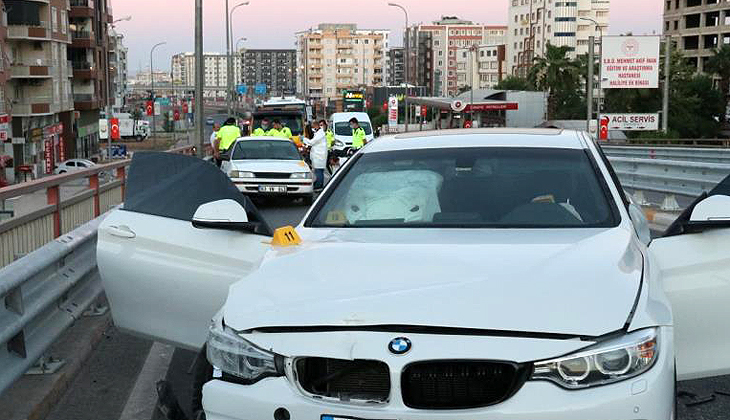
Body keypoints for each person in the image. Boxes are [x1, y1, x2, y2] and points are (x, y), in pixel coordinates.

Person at [304, 119, 327, 191]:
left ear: (316, 125)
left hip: (320, 155)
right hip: (318, 155)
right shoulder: (318, 133)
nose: (312, 128)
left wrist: (304, 139)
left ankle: (319, 186)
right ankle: (318, 184)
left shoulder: (320, 133)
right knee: (318, 171)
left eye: (313, 126)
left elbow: (312, 142)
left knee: (319, 171)